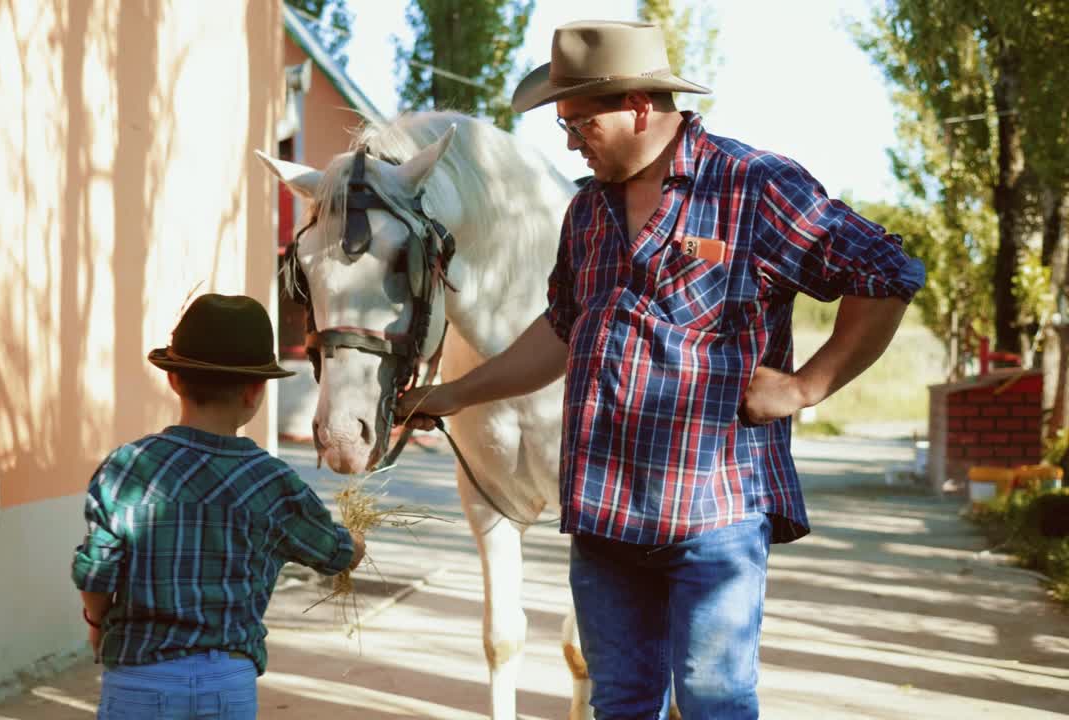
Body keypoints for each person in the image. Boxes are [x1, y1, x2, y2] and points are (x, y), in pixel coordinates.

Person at [397, 20, 924, 720]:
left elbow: (886, 272)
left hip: (715, 513)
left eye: (579, 122)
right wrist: (452, 392)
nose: (568, 140)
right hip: (603, 512)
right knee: (620, 702)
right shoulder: (587, 212)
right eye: (563, 124)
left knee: (712, 701)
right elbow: (561, 329)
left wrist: (807, 386)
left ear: (639, 105)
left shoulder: (753, 186)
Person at [72, 293, 365, 719]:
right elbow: (334, 552)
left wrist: (97, 626)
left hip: (139, 677)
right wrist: (357, 542)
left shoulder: (127, 467)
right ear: (254, 391)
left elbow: (95, 572)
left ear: (174, 380)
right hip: (227, 684)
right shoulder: (272, 482)